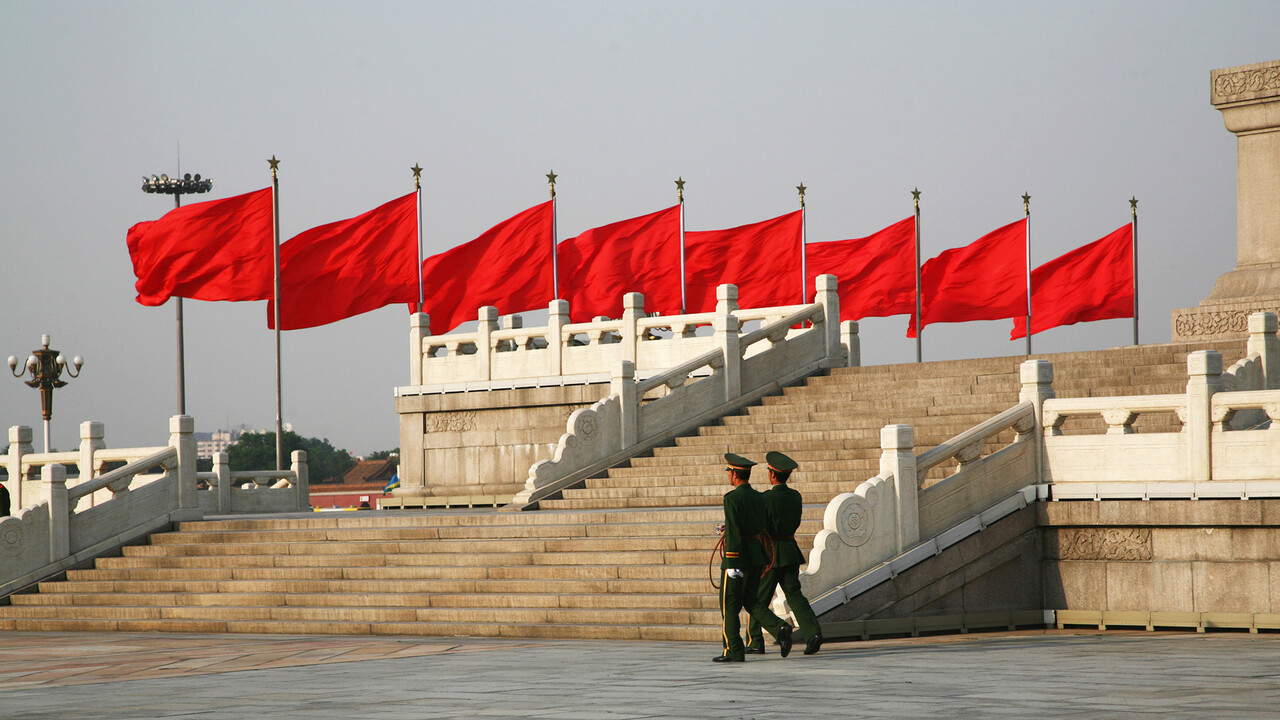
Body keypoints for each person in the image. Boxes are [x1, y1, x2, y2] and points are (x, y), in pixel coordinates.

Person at [713, 452, 793, 663]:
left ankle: (733, 650)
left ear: (734, 475)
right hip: (756, 557)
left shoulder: (732, 498)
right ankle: (780, 627)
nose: (728, 475)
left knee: (729, 605)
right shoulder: (759, 497)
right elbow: (755, 526)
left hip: (737, 558)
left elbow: (735, 531)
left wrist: (732, 562)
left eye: (729, 472)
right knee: (751, 601)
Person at [746, 451, 823, 655]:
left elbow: (760, 525)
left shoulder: (767, 498)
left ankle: (757, 639)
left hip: (770, 553)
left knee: (758, 598)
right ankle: (813, 633)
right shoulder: (795, 496)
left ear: (772, 474)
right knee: (795, 596)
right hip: (790, 550)